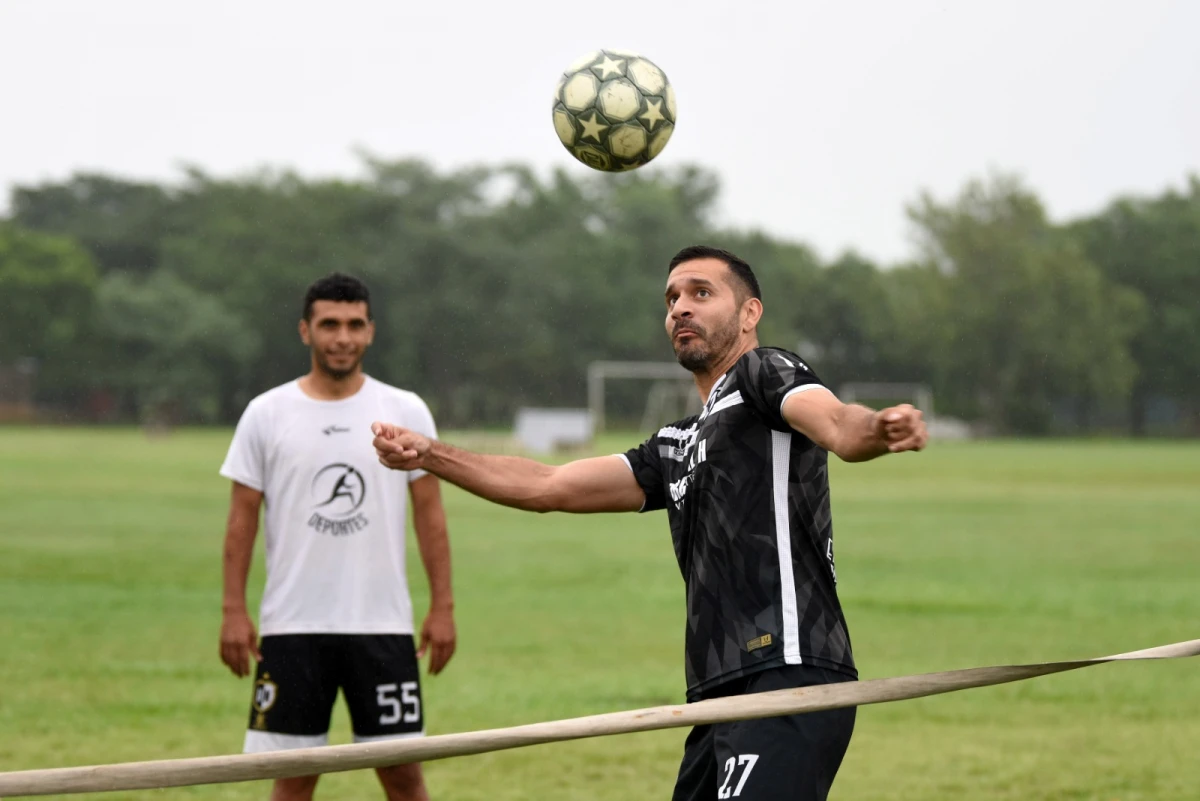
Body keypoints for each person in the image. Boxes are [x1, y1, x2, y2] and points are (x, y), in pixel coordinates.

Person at [370, 245, 928, 801]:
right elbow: (548, 486)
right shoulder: (674, 444)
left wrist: (879, 428)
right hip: (717, 696)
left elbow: (836, 423)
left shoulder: (763, 373)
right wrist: (429, 455)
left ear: (750, 313)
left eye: (701, 293)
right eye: (672, 299)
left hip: (789, 673)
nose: (680, 308)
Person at [218, 273, 455, 801]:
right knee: (295, 775)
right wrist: (233, 610)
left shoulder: (405, 409)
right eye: (329, 324)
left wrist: (443, 606)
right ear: (306, 331)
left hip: (382, 625)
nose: (342, 337)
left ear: (370, 331)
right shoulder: (266, 413)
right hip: (292, 625)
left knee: (402, 772)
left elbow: (431, 517)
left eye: (353, 325)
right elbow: (241, 520)